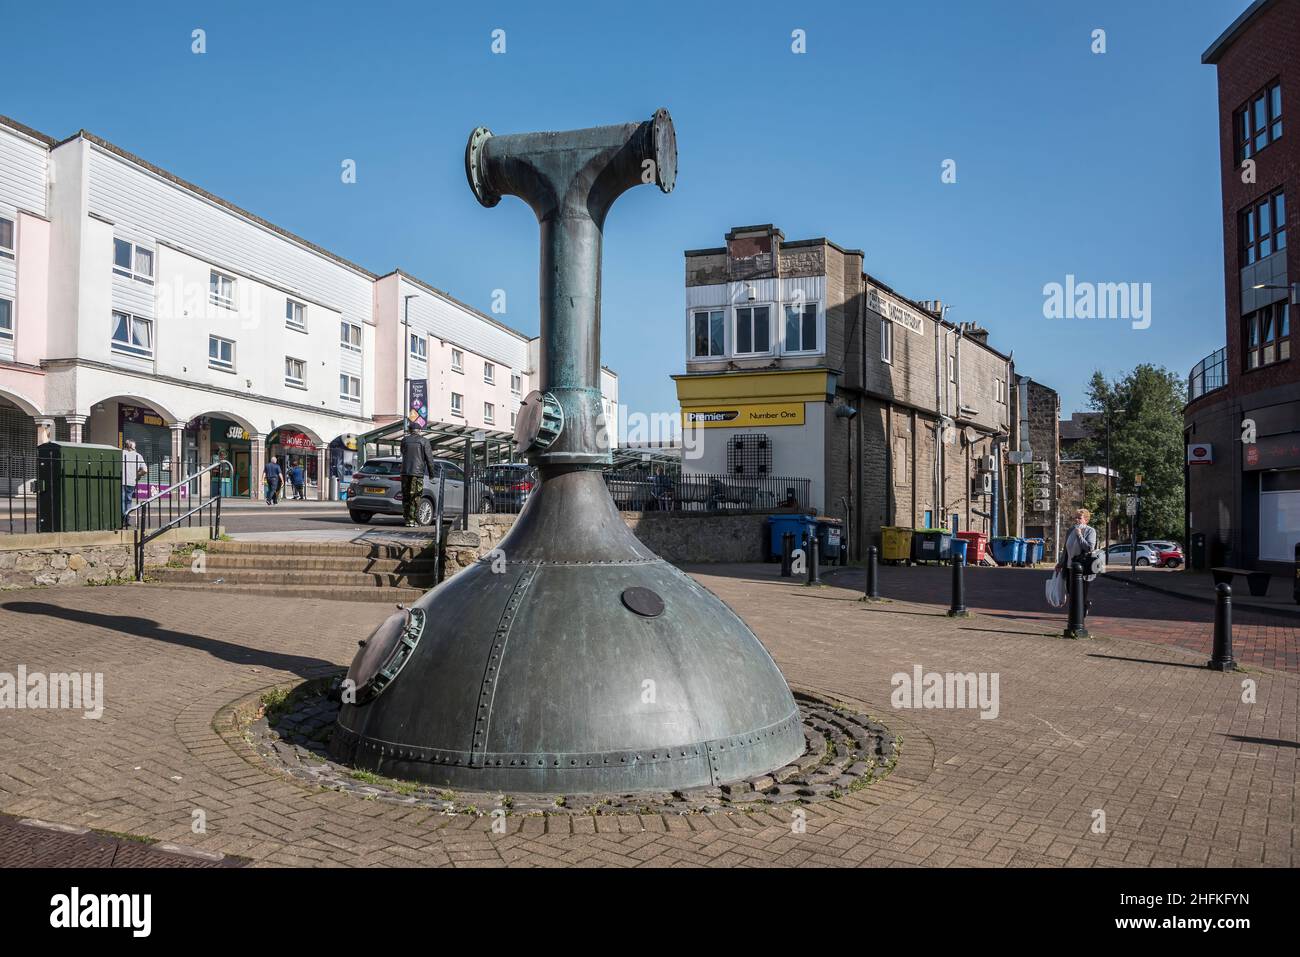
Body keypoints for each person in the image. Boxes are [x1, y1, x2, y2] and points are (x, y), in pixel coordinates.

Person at [1056, 507, 1100, 614]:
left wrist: (1079, 535)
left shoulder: (1090, 531)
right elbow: (1066, 549)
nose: (1077, 520)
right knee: (1071, 591)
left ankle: (1079, 615)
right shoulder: (1071, 530)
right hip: (1069, 566)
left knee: (1081, 593)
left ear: (1086, 519)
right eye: (1075, 518)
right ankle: (1084, 605)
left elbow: (1089, 548)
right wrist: (1061, 563)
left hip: (1082, 568)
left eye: (1079, 518)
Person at [399, 423, 437, 526]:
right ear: (419, 431)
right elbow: (429, 459)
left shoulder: (404, 440)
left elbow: (403, 452)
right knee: (415, 496)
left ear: (410, 430)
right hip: (417, 473)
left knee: (406, 496)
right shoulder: (424, 441)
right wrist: (431, 474)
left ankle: (407, 519)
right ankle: (412, 520)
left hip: (405, 472)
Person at [120, 439, 147, 526]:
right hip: (132, 482)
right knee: (129, 501)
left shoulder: (120, 453)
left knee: (122, 501)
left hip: (121, 481)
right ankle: (127, 519)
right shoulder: (138, 456)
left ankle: (122, 519)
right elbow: (145, 470)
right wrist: (137, 475)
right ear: (132, 446)